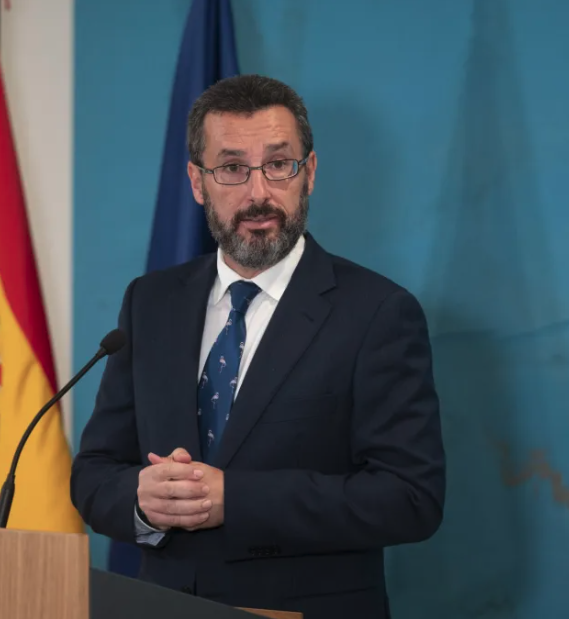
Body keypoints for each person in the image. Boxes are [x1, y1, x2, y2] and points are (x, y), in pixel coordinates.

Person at [70, 74, 445, 618]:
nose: (258, 193)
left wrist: (235, 500)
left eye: (278, 164)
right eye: (231, 168)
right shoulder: (150, 302)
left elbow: (412, 498)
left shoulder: (378, 312)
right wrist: (142, 501)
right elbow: (94, 471)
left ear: (309, 173)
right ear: (198, 183)